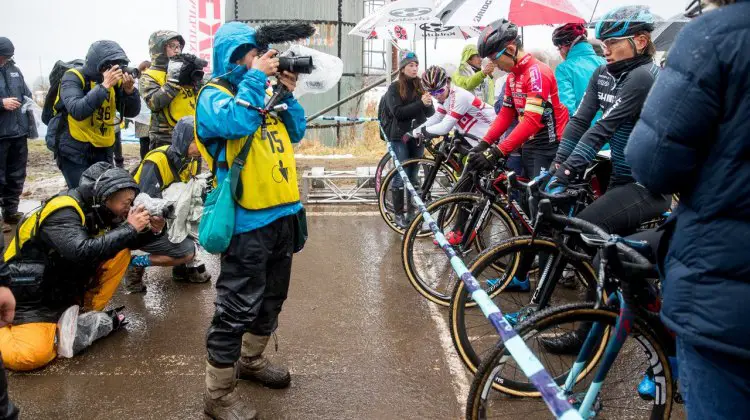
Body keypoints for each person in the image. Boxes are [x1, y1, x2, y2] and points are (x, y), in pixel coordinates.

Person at [626, 0, 750, 417]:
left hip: (725, 295)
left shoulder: (717, 34)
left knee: (609, 244)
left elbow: (652, 163)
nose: (607, 49)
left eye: (613, 42)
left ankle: (659, 359)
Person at [539, 5, 671, 353]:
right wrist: (557, 164)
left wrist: (569, 169)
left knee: (586, 232)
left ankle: (617, 326)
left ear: (641, 41)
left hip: (648, 185)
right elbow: (581, 121)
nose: (605, 49)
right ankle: (623, 316)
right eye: (603, 42)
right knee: (611, 258)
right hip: (619, 178)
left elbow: (604, 127)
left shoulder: (644, 76)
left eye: (613, 42)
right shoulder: (602, 74)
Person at [195, 22, 308, 419]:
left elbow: (296, 131)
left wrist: (287, 94)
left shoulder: (265, 91)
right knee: (235, 310)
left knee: (272, 299)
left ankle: (252, 361)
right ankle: (218, 395)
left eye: (263, 51)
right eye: (252, 52)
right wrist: (257, 79)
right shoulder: (213, 96)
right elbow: (237, 124)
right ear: (232, 57)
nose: (263, 58)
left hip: (284, 215)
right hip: (246, 223)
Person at [0, 162, 162, 371]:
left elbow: (125, 241)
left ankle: (84, 312)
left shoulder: (99, 210)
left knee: (121, 251)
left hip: (61, 286)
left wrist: (153, 230)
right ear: (106, 194)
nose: (130, 208)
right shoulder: (63, 210)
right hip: (30, 294)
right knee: (29, 356)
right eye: (127, 202)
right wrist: (130, 227)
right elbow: (80, 251)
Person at [470, 19, 569, 181]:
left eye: (495, 59)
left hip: (548, 147)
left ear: (510, 49)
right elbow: (505, 115)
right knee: (519, 196)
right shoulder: (513, 77)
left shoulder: (537, 73)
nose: (494, 65)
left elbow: (531, 121)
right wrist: (485, 143)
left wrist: (497, 152)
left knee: (540, 202)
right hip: (529, 145)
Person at [124, 116, 210, 292]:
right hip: (142, 224)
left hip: (168, 216)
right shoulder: (157, 160)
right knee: (187, 251)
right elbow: (141, 204)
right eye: (197, 141)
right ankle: (135, 261)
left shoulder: (191, 160)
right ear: (183, 139)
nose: (202, 147)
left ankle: (182, 270)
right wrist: (162, 228)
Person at [55, 40, 141, 188]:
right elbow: (77, 110)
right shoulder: (73, 77)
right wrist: (105, 86)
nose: (116, 69)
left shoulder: (116, 82)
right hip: (75, 146)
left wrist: (129, 92)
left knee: (105, 191)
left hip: (103, 145)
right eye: (112, 65)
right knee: (82, 191)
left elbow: (132, 112)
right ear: (99, 65)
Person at [385, 51, 434, 228]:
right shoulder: (395, 87)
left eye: (416, 65)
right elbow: (397, 113)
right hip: (400, 137)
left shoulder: (421, 86)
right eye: (411, 65)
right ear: (403, 68)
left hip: (417, 136)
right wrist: (420, 103)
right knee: (401, 174)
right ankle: (398, 214)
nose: (414, 69)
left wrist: (428, 103)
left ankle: (412, 214)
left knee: (413, 175)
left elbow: (429, 114)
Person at [140, 31, 197, 150]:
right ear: (159, 49)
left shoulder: (185, 72)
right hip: (165, 138)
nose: (177, 50)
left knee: (192, 167)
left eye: (179, 46)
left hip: (190, 133)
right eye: (172, 46)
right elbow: (154, 103)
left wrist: (195, 75)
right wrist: (174, 81)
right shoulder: (149, 76)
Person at [411, 66, 495, 146]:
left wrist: (422, 131)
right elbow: (437, 117)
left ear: (447, 83)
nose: (437, 96)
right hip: (480, 138)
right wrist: (416, 131)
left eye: (440, 91)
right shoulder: (447, 97)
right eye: (432, 93)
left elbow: (445, 127)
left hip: (494, 136)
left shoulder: (459, 96)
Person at [0, 37, 32, 229]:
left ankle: (11, 212)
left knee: (17, 175)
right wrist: (1, 104)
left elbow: (26, 93)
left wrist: (31, 106)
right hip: (1, 135)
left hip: (18, 132)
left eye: (6, 56)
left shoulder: (14, 70)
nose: (4, 59)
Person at [552, 23, 606, 117]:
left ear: (564, 47)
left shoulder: (564, 68)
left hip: (583, 128)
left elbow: (566, 107)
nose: (560, 52)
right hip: (610, 127)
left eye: (559, 49)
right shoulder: (605, 62)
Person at [134, 61, 152, 159]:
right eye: (144, 69)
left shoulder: (152, 81)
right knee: (144, 142)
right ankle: (144, 161)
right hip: (141, 118)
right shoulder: (136, 83)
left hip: (149, 117)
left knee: (150, 142)